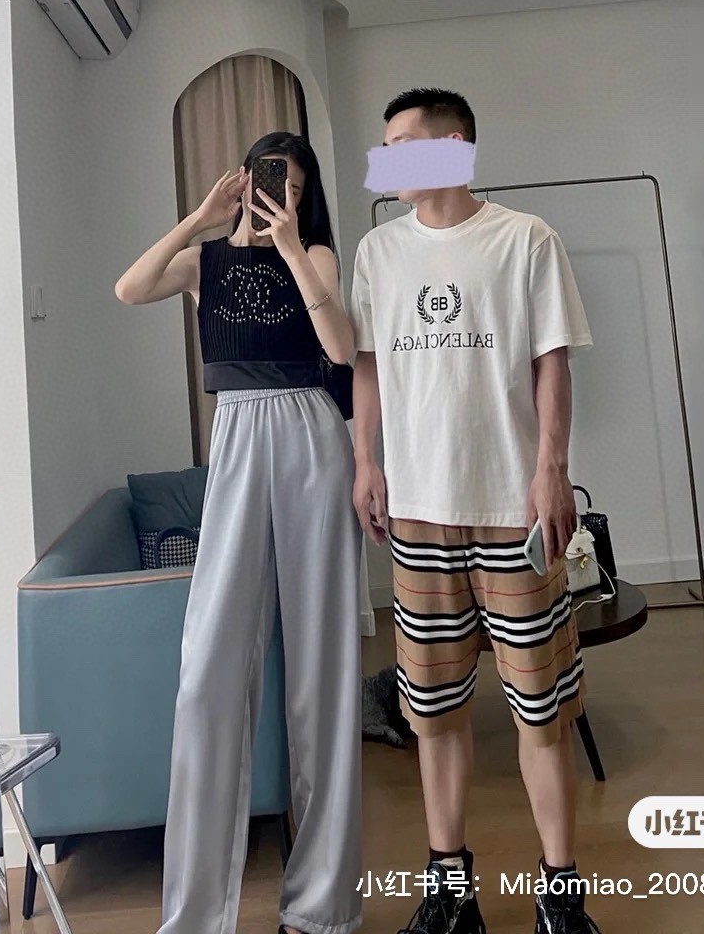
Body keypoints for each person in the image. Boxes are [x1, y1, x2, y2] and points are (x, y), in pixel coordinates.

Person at [350, 89, 600, 934]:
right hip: (418, 514)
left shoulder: (526, 239)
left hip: (510, 510)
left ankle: (559, 897)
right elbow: (367, 365)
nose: (386, 162)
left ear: (453, 145)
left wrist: (552, 469)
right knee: (434, 714)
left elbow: (553, 362)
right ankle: (451, 894)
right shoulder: (378, 251)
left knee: (542, 711)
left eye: (402, 145)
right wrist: (365, 461)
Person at [115, 132, 362, 934]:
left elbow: (341, 349)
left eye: (292, 184)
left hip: (311, 433)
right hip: (236, 431)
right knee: (208, 668)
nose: (277, 193)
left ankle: (320, 906)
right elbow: (129, 288)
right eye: (266, 178)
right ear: (243, 180)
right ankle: (196, 913)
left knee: (324, 665)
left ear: (304, 194)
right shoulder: (206, 263)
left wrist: (288, 245)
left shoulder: (315, 255)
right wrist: (199, 219)